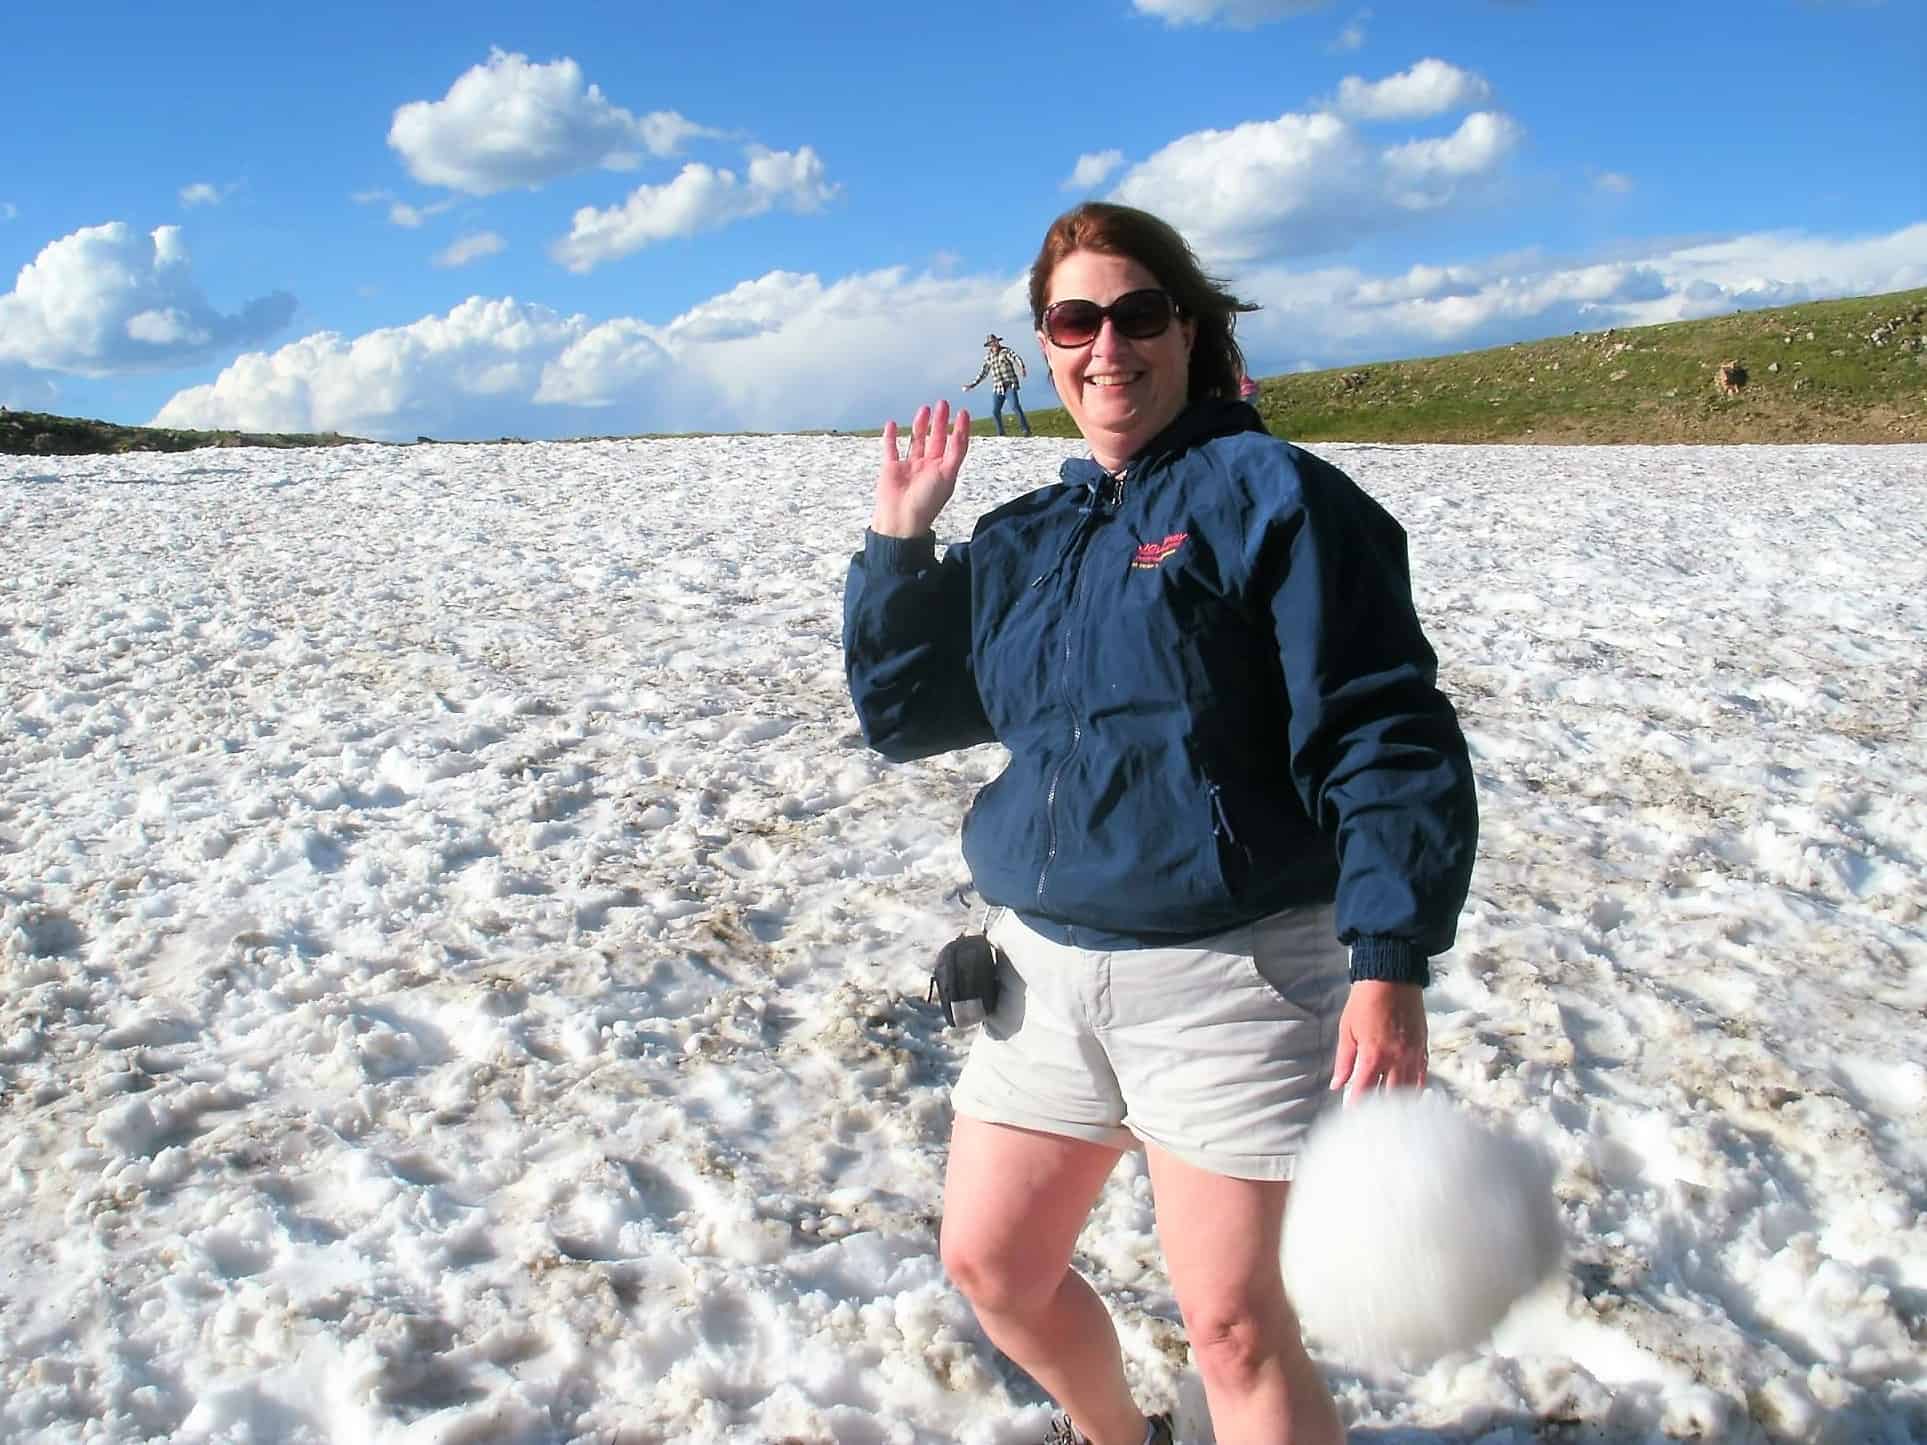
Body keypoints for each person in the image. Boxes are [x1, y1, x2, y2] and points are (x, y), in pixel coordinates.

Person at [843, 202, 1478, 1445]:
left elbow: (1380, 727)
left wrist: (1390, 960)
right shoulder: (1033, 535)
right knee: (993, 1266)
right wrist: (899, 541)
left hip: (1232, 977)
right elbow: (907, 715)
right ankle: (1119, 1435)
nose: (1106, 345)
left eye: (1137, 314)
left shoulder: (1273, 495)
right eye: (1075, 320)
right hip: (1044, 969)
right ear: (1046, 342)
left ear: (1190, 330)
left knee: (1235, 1329)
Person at [964, 332, 1031, 436]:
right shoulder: (988, 357)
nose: (993, 344)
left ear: (997, 341)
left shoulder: (1005, 351)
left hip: (1009, 385)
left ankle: (1025, 429)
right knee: (995, 411)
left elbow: (1015, 357)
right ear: (989, 345)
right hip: (998, 388)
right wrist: (972, 385)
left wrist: (1022, 367)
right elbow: (983, 373)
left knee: (1015, 406)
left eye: (994, 342)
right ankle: (1001, 433)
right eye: (991, 343)